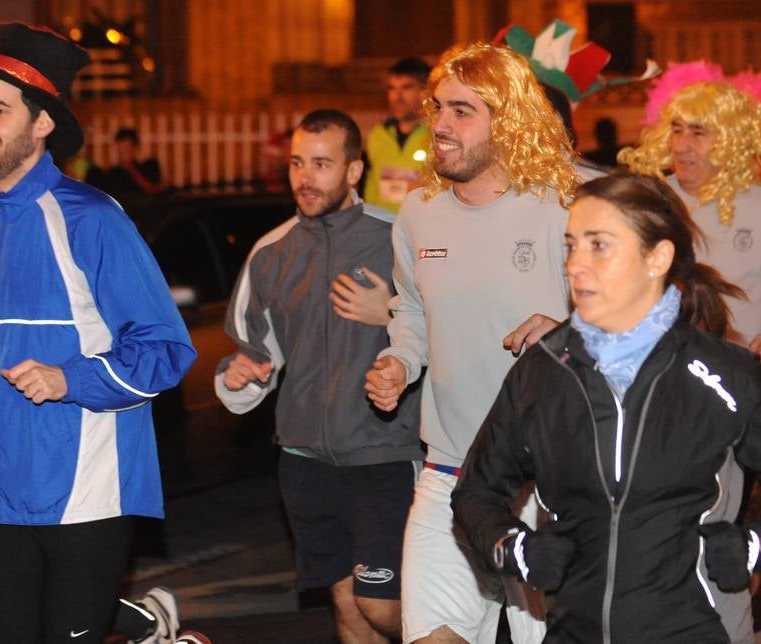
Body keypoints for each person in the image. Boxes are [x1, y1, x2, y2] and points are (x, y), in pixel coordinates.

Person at [0, 23, 196, 644]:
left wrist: (66, 378)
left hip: (83, 497)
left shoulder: (92, 219)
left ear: (42, 123)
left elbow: (164, 349)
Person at [450, 172, 761, 643]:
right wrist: (516, 550)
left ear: (658, 257)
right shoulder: (543, 371)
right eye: (571, 245)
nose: (575, 265)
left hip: (693, 629)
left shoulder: (723, 374)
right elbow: (475, 491)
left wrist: (756, 545)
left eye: (599, 245)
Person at [363, 41, 576, 644]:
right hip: (450, 471)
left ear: (505, 121)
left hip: (547, 481)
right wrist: (400, 361)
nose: (440, 124)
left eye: (462, 110)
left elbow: (626, 320)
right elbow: (411, 309)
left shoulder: (562, 209)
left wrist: (568, 332)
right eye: (438, 107)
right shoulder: (419, 213)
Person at [619, 77, 761, 644]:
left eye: (701, 132)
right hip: (645, 399)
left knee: (714, 534)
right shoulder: (648, 205)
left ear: (732, 141)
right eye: (678, 129)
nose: (684, 144)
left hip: (730, 401)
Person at [216, 108, 421, 644]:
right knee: (347, 605)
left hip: (383, 454)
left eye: (322, 164)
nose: (306, 177)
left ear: (354, 171)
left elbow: (452, 330)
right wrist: (242, 375)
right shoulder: (270, 253)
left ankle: (469, 628)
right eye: (297, 163)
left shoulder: (398, 238)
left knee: (381, 605)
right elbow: (254, 352)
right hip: (304, 459)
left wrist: (391, 312)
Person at [364, 57, 431, 213]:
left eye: (407, 88)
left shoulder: (437, 135)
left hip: (420, 228)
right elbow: (372, 185)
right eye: (392, 88)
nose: (397, 97)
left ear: (426, 91)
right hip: (381, 228)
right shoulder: (377, 135)